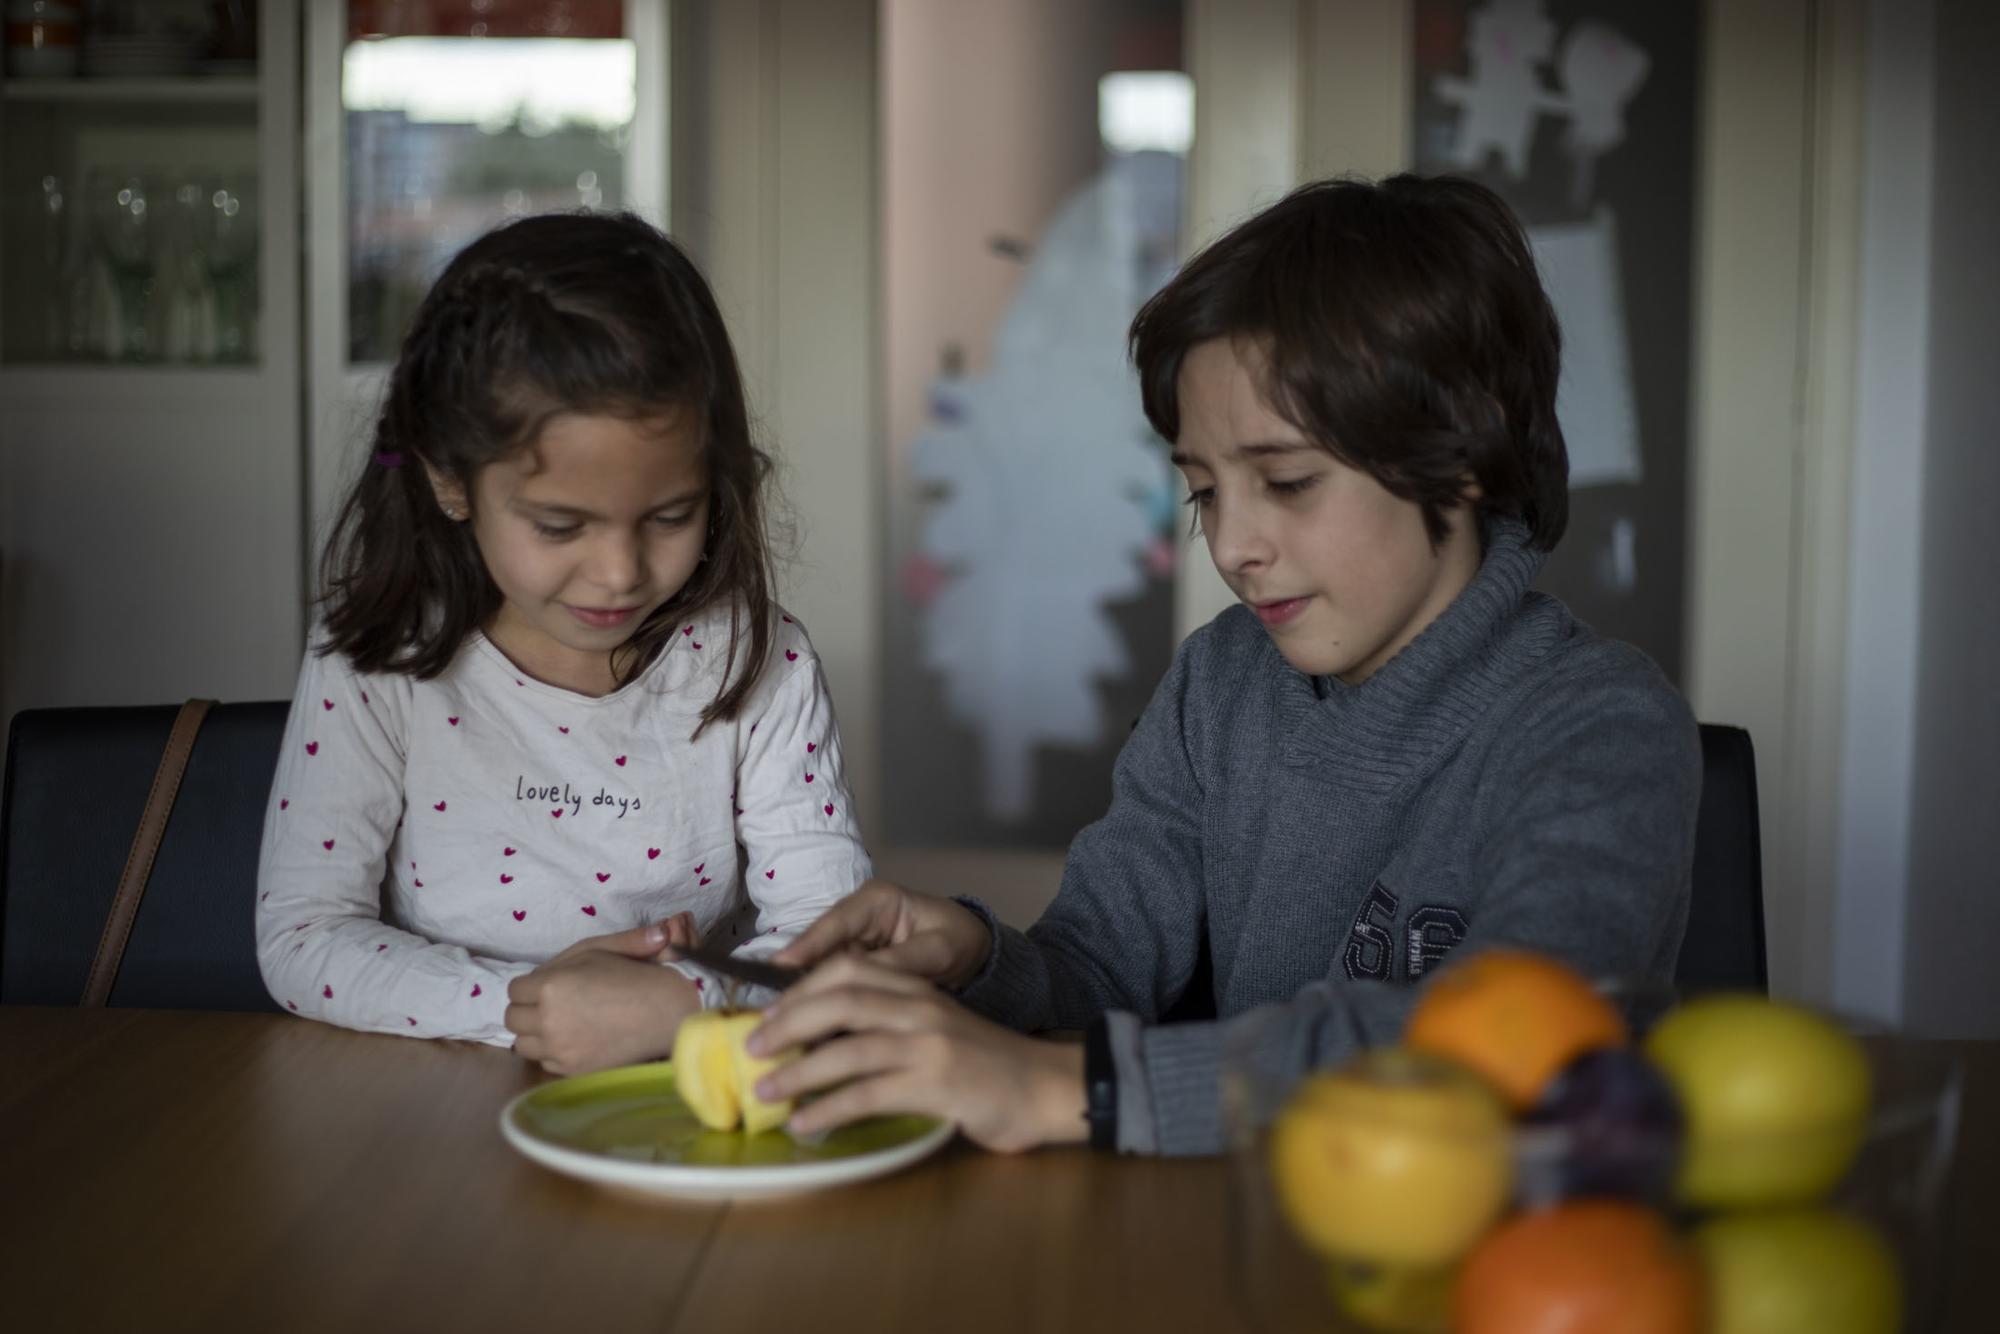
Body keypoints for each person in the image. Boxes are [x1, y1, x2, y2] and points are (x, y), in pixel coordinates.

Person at [741, 174, 1701, 1155]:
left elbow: (1516, 1050)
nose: (1232, 544)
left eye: (1284, 480)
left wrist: (1059, 1087)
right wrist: (981, 953)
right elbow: (1102, 967)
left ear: (1460, 453)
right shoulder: (1220, 683)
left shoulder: (1599, 727)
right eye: (1203, 491)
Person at [256, 211, 869, 1075]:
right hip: (435, 1110)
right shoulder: (375, 660)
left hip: (688, 1103)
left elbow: (835, 939)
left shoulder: (760, 661)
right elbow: (304, 938)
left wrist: (680, 1011)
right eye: (558, 525)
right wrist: (532, 1009)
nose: (618, 573)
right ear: (447, 479)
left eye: (669, 516)